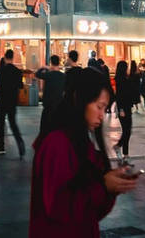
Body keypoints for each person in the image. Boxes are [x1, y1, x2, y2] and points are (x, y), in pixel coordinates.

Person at [29, 66, 137, 237]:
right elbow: (58, 208)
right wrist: (103, 186)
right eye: (99, 106)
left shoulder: (81, 141)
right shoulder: (57, 144)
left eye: (105, 109)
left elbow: (91, 212)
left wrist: (111, 187)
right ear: (79, 99)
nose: (102, 115)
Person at [0, 49, 25, 157]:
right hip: (12, 100)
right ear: (13, 58)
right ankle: (20, 142)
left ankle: (1, 146)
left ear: (5, 57)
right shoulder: (17, 71)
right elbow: (21, 85)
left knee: (1, 123)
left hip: (2, 100)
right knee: (13, 123)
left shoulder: (2, 70)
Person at [34, 55, 66, 136]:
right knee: (56, 126)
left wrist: (43, 67)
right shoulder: (63, 76)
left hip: (48, 104)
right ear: (59, 63)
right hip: (59, 104)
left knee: (44, 127)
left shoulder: (48, 75)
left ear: (51, 62)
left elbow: (37, 74)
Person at [113, 61, 137, 162]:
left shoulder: (124, 79)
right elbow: (119, 96)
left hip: (127, 107)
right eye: (126, 67)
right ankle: (122, 150)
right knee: (127, 131)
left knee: (127, 131)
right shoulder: (120, 80)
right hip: (123, 108)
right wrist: (121, 109)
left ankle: (125, 153)